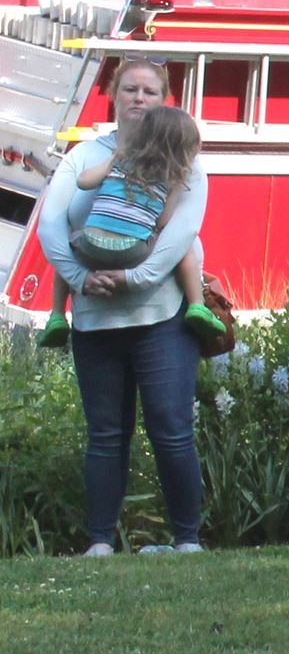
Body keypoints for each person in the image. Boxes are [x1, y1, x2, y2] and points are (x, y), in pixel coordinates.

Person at [38, 58, 210, 557]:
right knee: (106, 434)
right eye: (130, 90)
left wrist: (133, 277)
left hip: (161, 320)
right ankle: (99, 542)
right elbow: (51, 224)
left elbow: (181, 234)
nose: (139, 99)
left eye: (150, 92)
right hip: (94, 318)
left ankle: (187, 541)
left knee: (172, 432)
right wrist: (79, 278)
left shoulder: (183, 157)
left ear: (164, 99)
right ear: (114, 96)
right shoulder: (85, 155)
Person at [42, 105, 225, 350]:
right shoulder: (170, 178)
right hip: (133, 251)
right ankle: (196, 305)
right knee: (185, 247)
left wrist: (111, 162)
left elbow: (83, 181)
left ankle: (56, 316)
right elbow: (162, 222)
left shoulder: (121, 160)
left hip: (90, 247)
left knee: (68, 241)